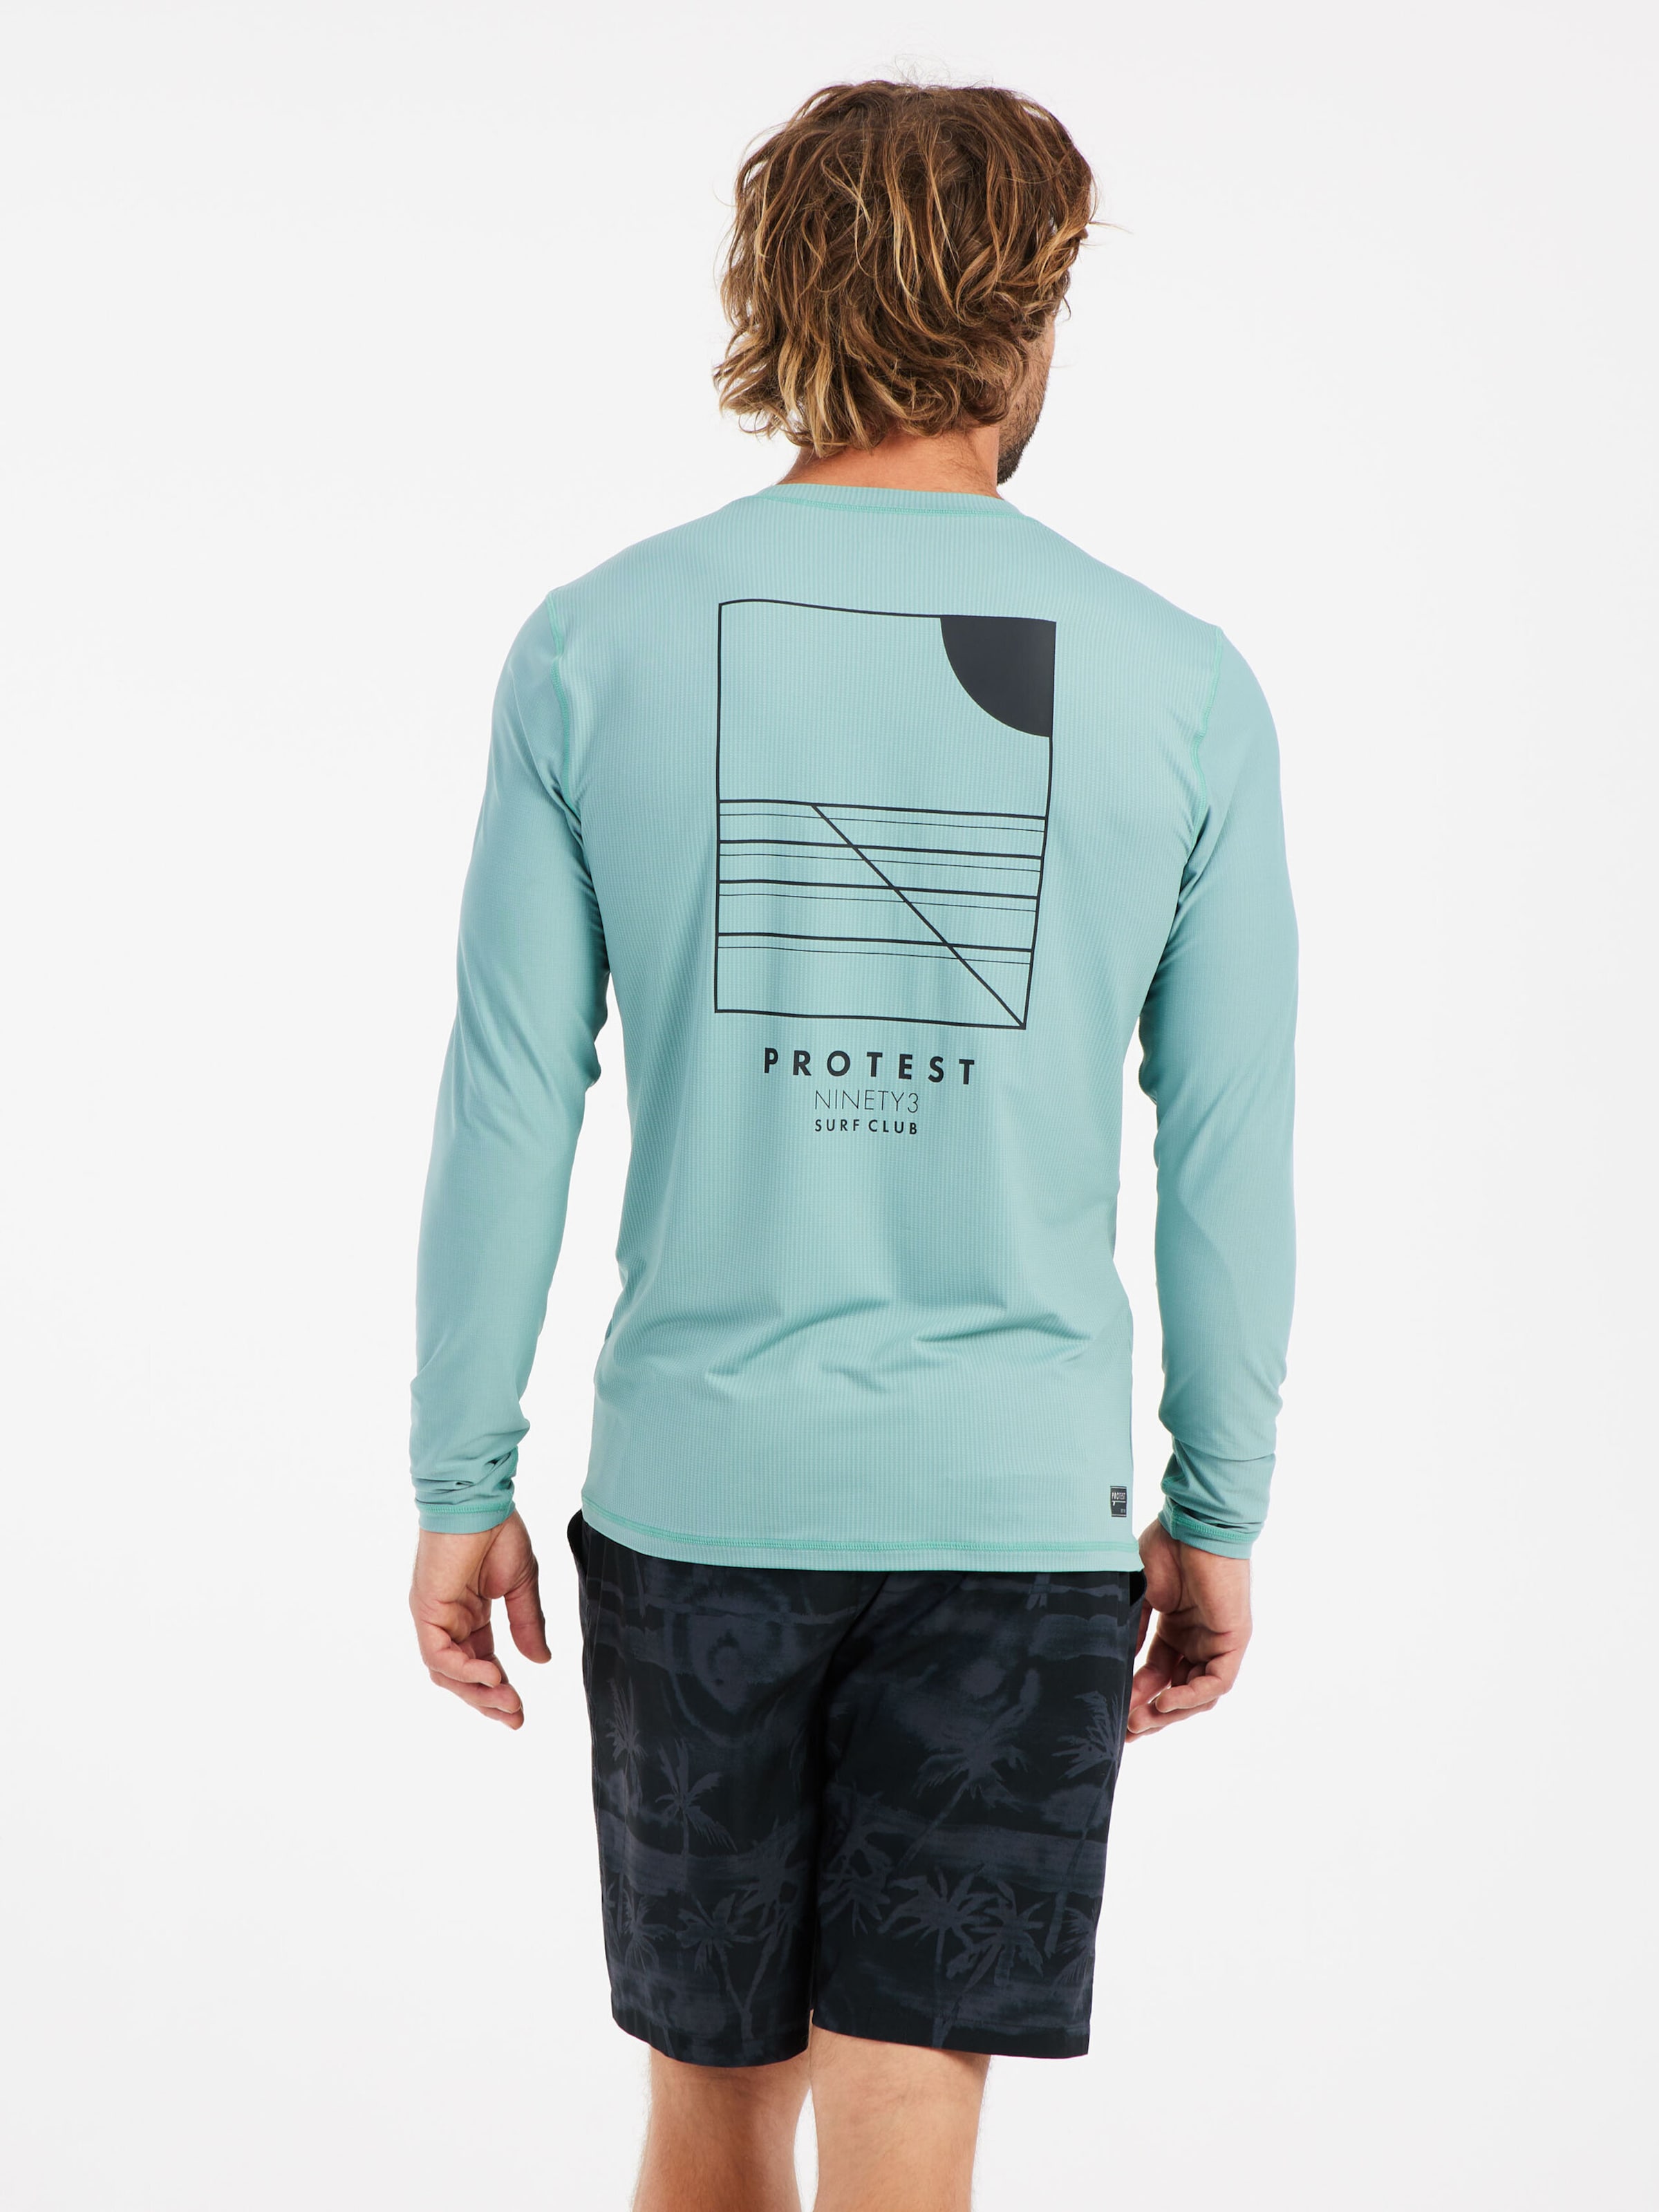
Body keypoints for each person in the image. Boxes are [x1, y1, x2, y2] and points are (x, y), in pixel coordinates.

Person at [407, 79, 1296, 2212]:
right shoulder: (1180, 685)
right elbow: (1227, 1140)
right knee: (917, 2117)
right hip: (1018, 1515)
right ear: (1035, 313)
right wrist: (1217, 1508)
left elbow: (512, 1091)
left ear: (779, 299)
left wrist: (459, 1481)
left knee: (712, 2105)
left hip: (698, 1498)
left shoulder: (597, 644)